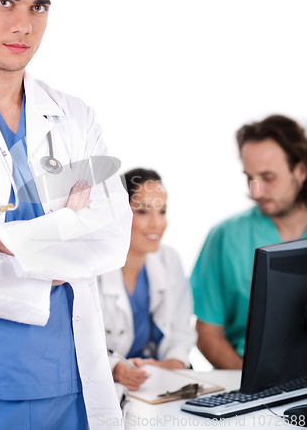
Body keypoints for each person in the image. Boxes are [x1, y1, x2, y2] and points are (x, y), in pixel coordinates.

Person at [0, 0, 132, 430]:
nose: (23, 25)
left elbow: (112, 233)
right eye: (4, 2)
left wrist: (5, 240)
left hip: (73, 381)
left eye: (39, 7)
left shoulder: (75, 115)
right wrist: (66, 227)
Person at [190, 115, 307, 369]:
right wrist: (252, 386)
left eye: (268, 177)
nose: (255, 191)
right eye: (250, 177)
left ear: (301, 170)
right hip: (250, 384)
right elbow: (208, 333)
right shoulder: (225, 237)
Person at [98, 168, 197, 391]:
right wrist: (115, 368)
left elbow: (182, 331)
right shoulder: (93, 269)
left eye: (162, 211)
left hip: (158, 386)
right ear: (117, 213)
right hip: (110, 390)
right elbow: (77, 344)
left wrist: (173, 362)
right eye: (143, 212)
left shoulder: (169, 259)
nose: (157, 224)